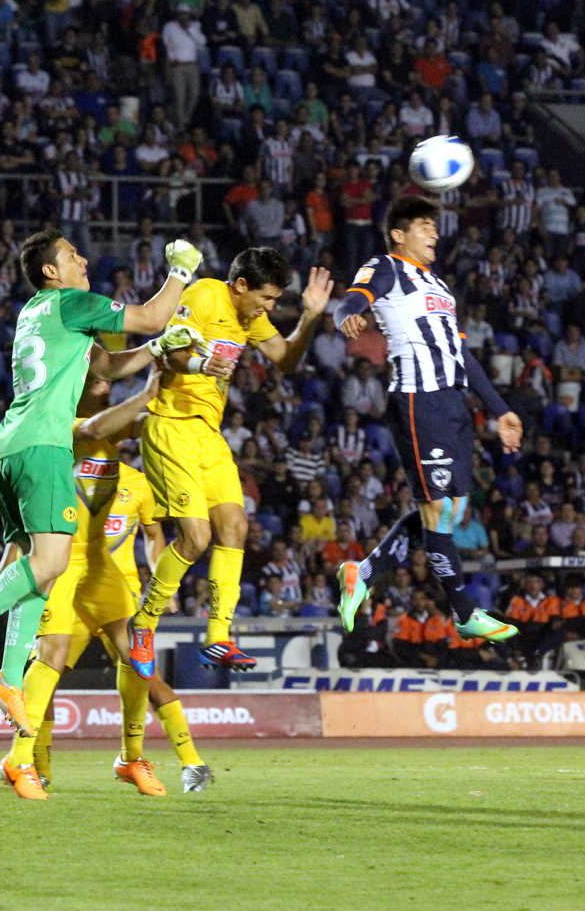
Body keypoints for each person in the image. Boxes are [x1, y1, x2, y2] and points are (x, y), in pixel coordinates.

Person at [0, 229, 206, 736]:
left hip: (12, 446)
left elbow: (107, 365)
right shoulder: (71, 302)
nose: (83, 260)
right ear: (51, 272)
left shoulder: (38, 312)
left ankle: (11, 676)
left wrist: (157, 349)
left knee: (41, 569)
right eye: (72, 255)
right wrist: (182, 272)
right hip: (46, 448)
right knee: (52, 561)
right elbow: (151, 313)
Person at [0, 374, 212, 799]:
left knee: (137, 659)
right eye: (93, 378)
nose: (102, 381)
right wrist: (150, 389)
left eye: (104, 379)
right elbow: (95, 427)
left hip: (101, 568)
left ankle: (134, 758)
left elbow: (151, 426)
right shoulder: (55, 421)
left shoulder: (130, 468)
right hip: (60, 559)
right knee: (51, 660)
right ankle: (25, 762)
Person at [127, 248, 333, 679]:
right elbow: (172, 350)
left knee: (236, 527)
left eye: (276, 301)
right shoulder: (204, 295)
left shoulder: (249, 317)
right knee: (196, 537)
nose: (270, 308)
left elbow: (286, 360)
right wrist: (205, 362)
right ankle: (144, 625)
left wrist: (310, 318)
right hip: (171, 424)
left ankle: (217, 635)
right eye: (266, 298)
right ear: (240, 286)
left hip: (209, 433)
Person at [334, 195, 523, 643]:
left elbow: (461, 354)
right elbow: (351, 301)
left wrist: (501, 410)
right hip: (419, 400)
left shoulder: (439, 286)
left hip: (453, 404)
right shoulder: (386, 266)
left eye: (434, 226)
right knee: (436, 510)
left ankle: (361, 574)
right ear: (400, 235)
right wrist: (349, 317)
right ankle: (463, 610)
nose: (434, 232)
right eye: (423, 225)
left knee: (452, 511)